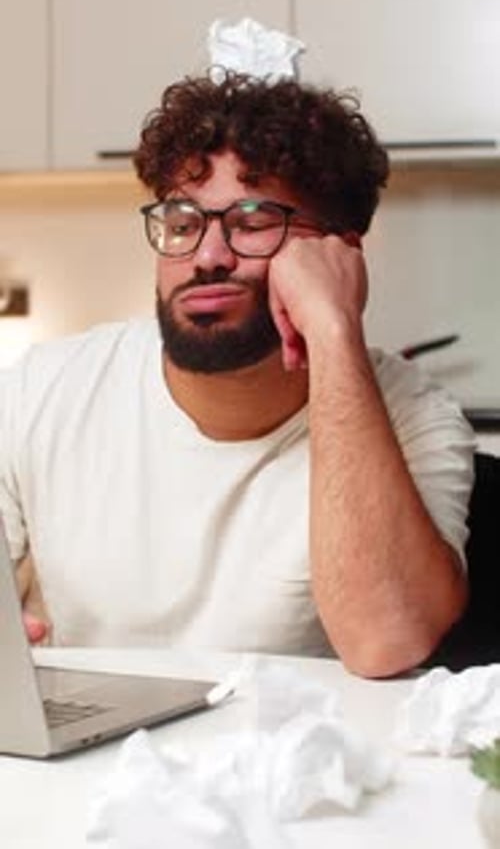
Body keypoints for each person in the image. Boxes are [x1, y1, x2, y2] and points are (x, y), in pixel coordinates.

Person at [0, 68, 474, 678]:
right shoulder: (40, 391)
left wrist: (333, 330)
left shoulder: (418, 417)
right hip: (91, 769)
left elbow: (386, 640)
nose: (206, 257)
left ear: (339, 253)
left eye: (251, 222)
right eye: (182, 223)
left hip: (289, 764)